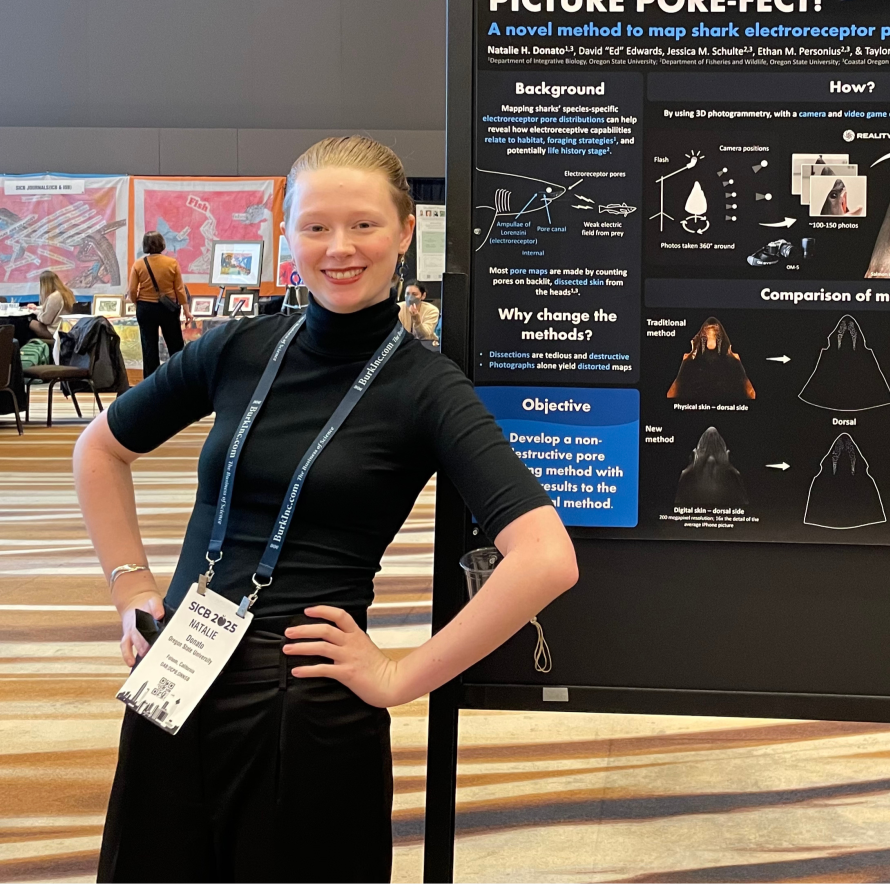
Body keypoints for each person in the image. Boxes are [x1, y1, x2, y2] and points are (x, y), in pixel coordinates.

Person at [75, 136, 578, 882]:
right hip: (173, 676)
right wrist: (131, 591)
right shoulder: (239, 348)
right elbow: (99, 451)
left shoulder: (426, 388)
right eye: (315, 227)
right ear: (289, 237)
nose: (339, 248)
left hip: (303, 708)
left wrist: (400, 675)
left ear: (405, 232)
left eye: (364, 225)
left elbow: (545, 557)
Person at [127, 232, 191, 377]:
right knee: (175, 346)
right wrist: (186, 310)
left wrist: (137, 303)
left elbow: (131, 290)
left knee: (149, 347)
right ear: (162, 243)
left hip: (145, 308)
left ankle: (151, 384)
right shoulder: (172, 263)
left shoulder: (138, 264)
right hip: (168, 309)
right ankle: (179, 379)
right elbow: (180, 290)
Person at [27, 269, 75, 341]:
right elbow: (54, 308)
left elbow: (45, 320)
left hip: (55, 332)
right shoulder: (67, 292)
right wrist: (36, 308)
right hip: (66, 330)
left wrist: (36, 313)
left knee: (28, 322)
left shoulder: (54, 297)